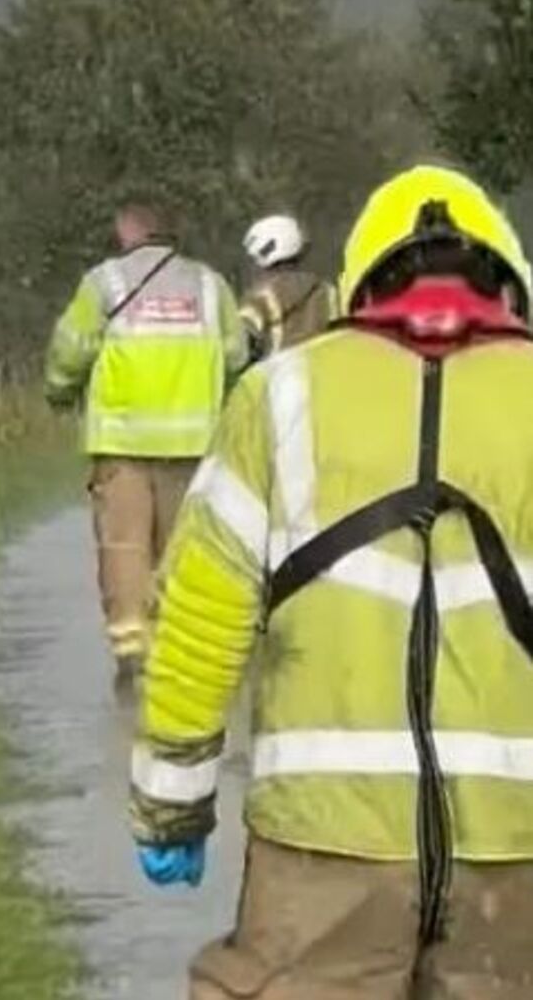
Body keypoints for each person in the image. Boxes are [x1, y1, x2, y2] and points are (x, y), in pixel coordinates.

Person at [131, 165, 533, 998]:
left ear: (365, 280)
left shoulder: (279, 397)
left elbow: (201, 616)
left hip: (322, 856)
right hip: (517, 860)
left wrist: (173, 797)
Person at [45, 202, 246, 688]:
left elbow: (70, 349)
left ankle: (133, 651)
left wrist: (58, 389)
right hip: (194, 445)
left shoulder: (104, 283)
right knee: (182, 552)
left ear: (127, 230)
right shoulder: (209, 285)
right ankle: (180, 650)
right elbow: (238, 354)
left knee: (124, 548)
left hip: (123, 443)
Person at [239, 214, 339, 362]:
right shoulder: (327, 290)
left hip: (278, 376)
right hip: (325, 370)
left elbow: (239, 336)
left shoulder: (262, 296)